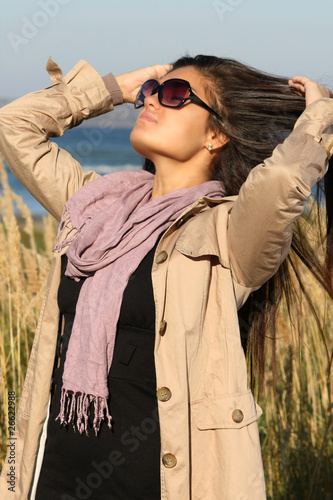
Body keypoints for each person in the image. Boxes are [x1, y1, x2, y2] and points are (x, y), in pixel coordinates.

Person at [0, 54, 332, 500]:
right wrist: (117, 87)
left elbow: (281, 182)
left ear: (216, 135)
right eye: (152, 94)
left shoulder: (230, 236)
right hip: (54, 472)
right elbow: (14, 126)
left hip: (157, 480)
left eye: (176, 95)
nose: (154, 101)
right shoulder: (97, 210)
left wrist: (318, 120)